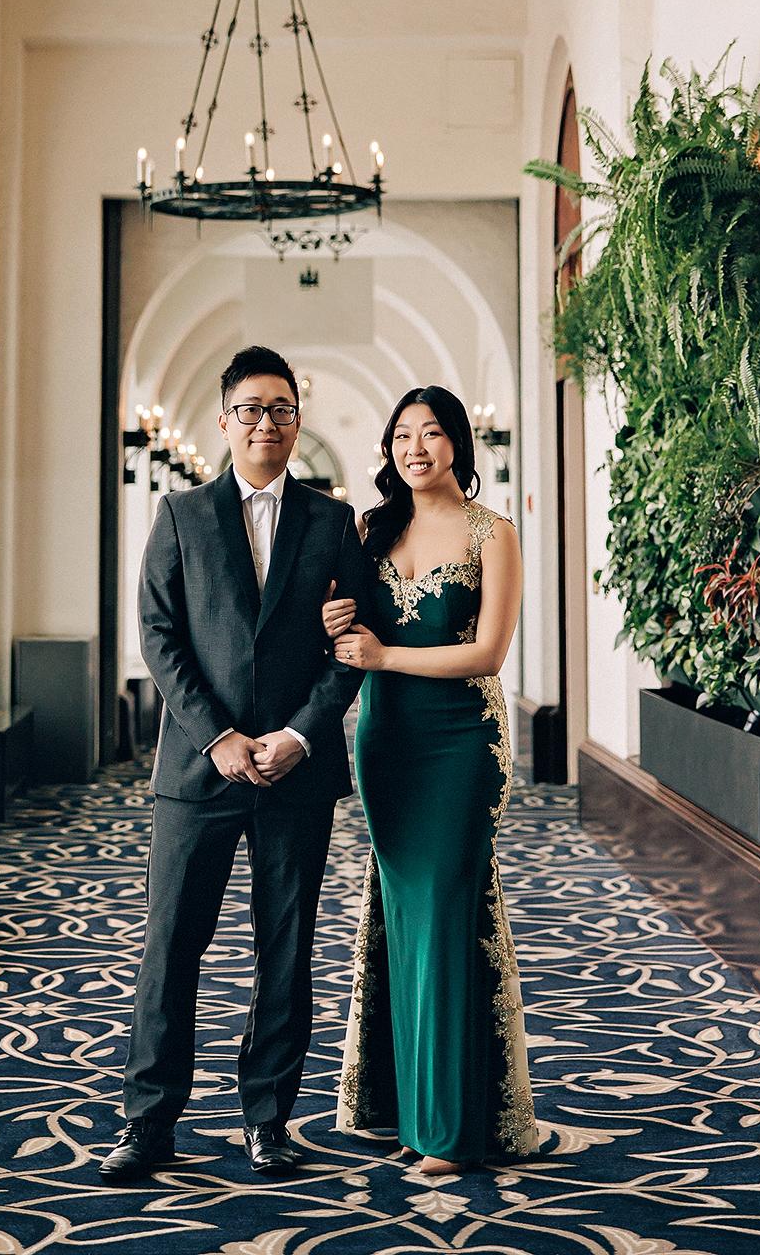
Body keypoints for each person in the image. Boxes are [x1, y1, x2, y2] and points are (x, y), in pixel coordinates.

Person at [100, 344, 375, 1183]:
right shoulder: (181, 515)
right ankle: (149, 1123)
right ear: (224, 422)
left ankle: (269, 1120)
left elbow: (353, 646)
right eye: (251, 410)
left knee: (285, 947)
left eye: (282, 409)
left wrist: (297, 734)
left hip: (297, 770)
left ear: (299, 419)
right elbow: (158, 635)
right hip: (197, 771)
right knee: (172, 944)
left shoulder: (333, 522)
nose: (266, 424)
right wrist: (217, 736)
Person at [324, 384, 539, 1175]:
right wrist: (337, 631)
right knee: (401, 913)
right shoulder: (368, 530)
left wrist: (385, 656)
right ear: (387, 449)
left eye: (432, 433)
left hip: (461, 746)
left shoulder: (495, 534)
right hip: (386, 744)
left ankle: (446, 1130)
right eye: (402, 436)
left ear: (458, 444)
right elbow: (335, 625)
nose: (415, 448)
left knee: (447, 912)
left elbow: (487, 655)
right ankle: (398, 1103)